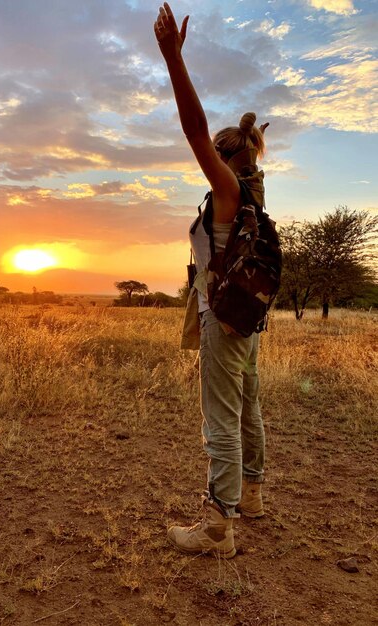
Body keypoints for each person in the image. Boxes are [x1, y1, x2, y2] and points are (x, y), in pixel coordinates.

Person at [154, 3, 268, 558]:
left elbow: (193, 129)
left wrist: (174, 59)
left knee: (218, 415)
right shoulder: (254, 196)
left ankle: (219, 527)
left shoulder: (225, 192)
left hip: (223, 320)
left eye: (214, 157)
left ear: (224, 159)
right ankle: (253, 495)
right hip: (248, 319)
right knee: (247, 402)